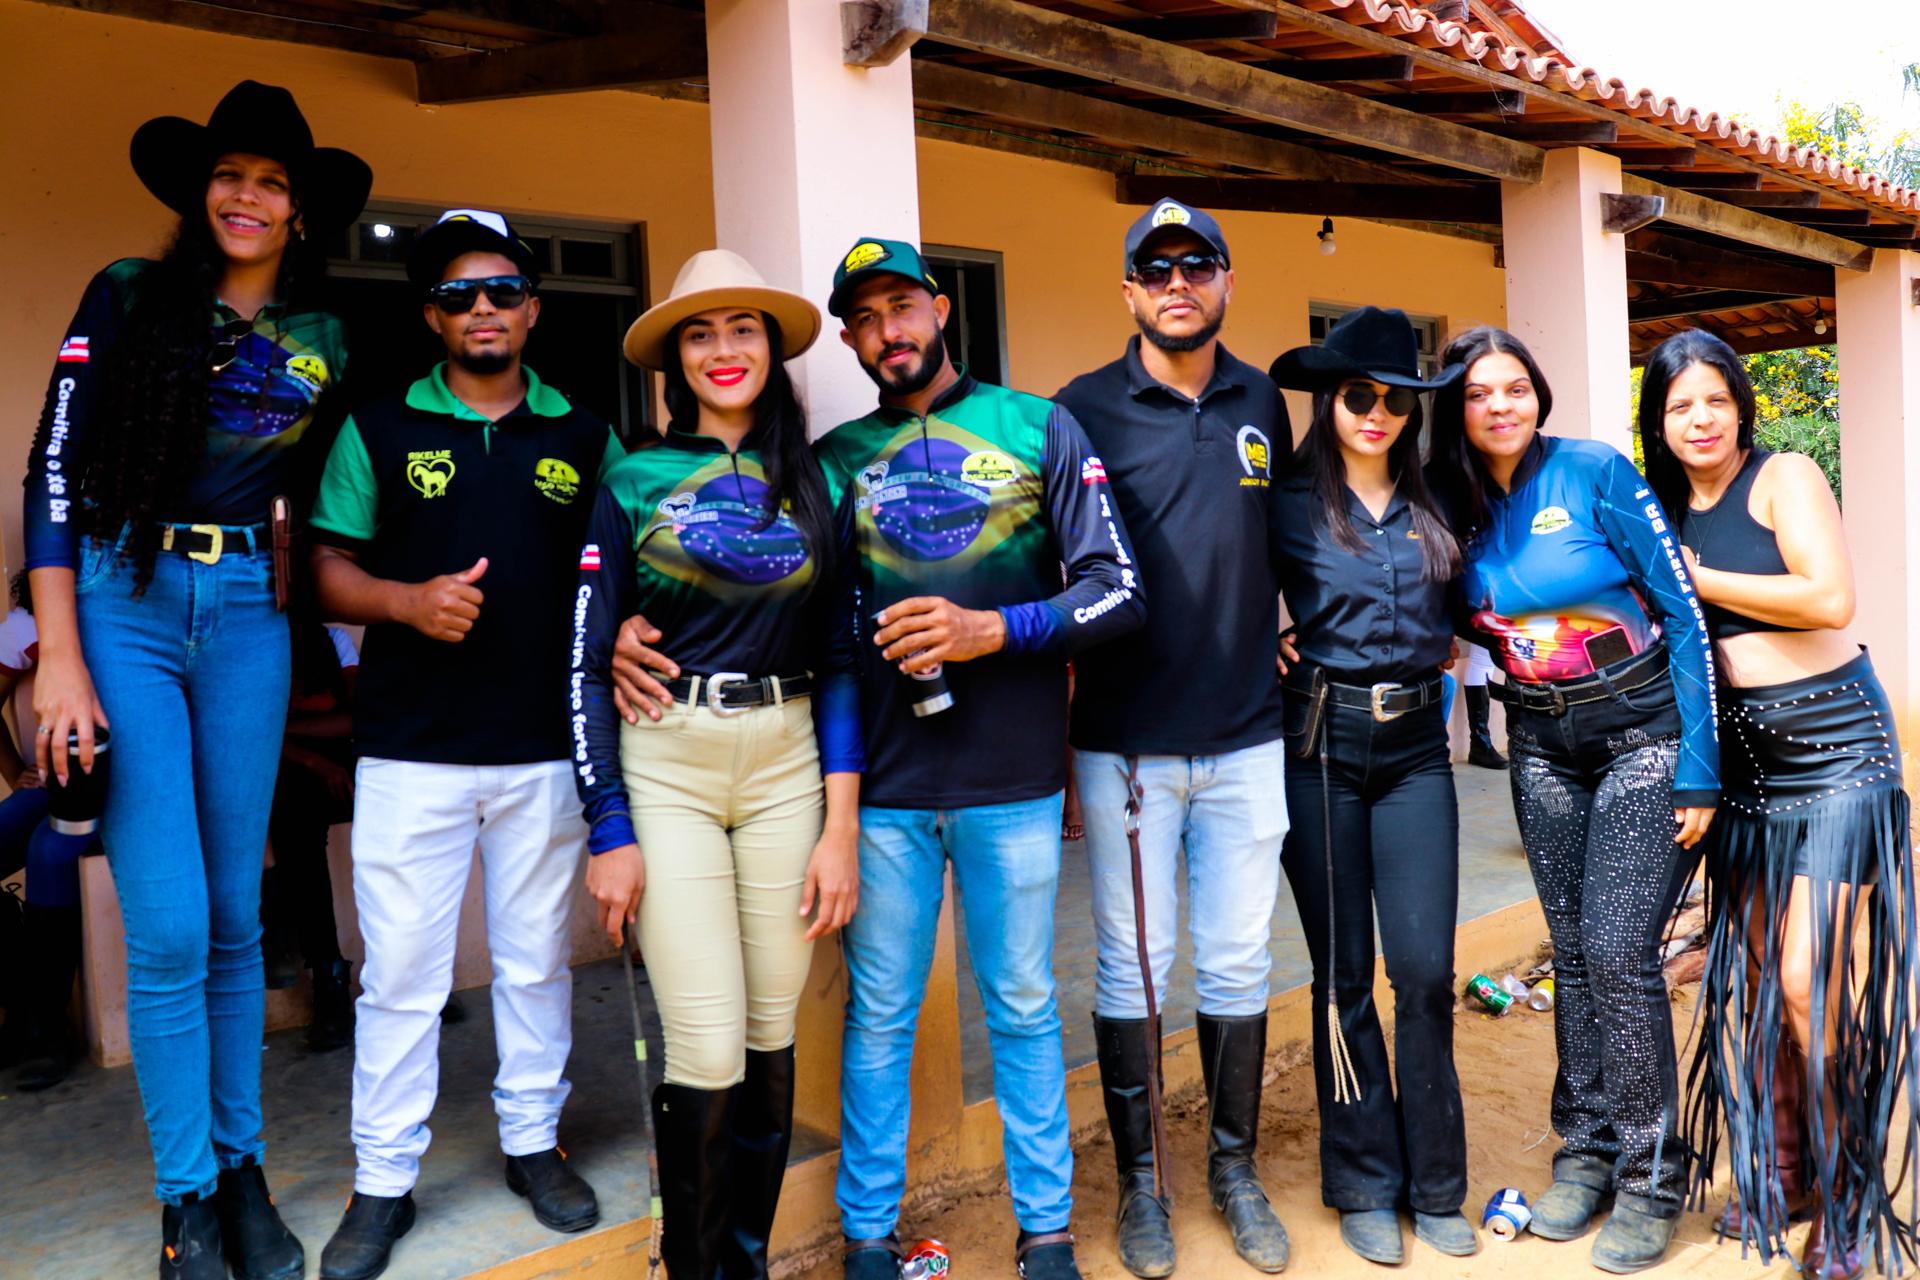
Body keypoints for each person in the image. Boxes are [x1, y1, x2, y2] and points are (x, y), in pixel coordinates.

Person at [615, 236, 1144, 1280]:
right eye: (861, 319)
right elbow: (793, 617)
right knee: (880, 1018)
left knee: (1023, 1006)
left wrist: (994, 629)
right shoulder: (829, 462)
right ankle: (866, 1233)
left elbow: (1118, 589)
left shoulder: (1037, 425)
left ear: (940, 308)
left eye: (900, 306)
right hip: (884, 790)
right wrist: (629, 632)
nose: (885, 331)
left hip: (1012, 782)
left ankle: (1045, 1230)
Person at [22, 80, 368, 1280]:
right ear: (199, 191)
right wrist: (59, 652)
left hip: (253, 616)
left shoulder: (330, 338)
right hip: (125, 597)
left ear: (299, 210)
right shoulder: (128, 293)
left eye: (272, 181)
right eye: (230, 174)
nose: (247, 196)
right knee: (168, 923)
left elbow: (359, 486)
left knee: (234, 915)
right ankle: (185, 1198)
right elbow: (53, 468)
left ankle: (240, 1170)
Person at [308, 209, 624, 1280]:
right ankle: (383, 1178)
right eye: (457, 294)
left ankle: (534, 1143)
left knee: (536, 962)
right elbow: (327, 565)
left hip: (545, 747)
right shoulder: (379, 426)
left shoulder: (585, 434)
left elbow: (632, 561)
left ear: (532, 310)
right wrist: (404, 601)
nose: (481, 308)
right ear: (430, 316)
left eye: (502, 291)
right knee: (401, 975)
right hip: (411, 749)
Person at [570, 249, 863, 1279]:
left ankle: (745, 1264)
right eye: (699, 333)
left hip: (788, 766)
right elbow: (586, 655)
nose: (723, 349)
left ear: (772, 349)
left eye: (743, 328)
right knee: (704, 1042)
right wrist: (608, 824)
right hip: (669, 764)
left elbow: (842, 659)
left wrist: (839, 827)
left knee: (771, 1027)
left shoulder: (819, 480)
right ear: (675, 360)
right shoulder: (632, 478)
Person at [1430, 326, 1718, 1274]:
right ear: (1456, 409)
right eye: (1479, 393)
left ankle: (1650, 1177)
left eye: (1515, 387)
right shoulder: (1450, 503)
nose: (1500, 405)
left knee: (1618, 950)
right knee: (1577, 954)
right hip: (1540, 744)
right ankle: (1586, 1152)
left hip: (1642, 733)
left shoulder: (1592, 471)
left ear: (1538, 394)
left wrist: (1701, 765)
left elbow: (1683, 613)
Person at [1639, 330, 1917, 1279]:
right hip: (1745, 774)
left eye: (1716, 400)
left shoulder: (1782, 477)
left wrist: (1689, 576)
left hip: (1838, 756)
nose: (1701, 420)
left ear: (1741, 406)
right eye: (1680, 405)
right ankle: (1790, 1172)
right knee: (1759, 982)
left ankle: (1848, 1194)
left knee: (1806, 978)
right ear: (1659, 421)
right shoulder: (1662, 508)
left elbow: (1829, 598)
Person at [1052, 197, 1290, 1278]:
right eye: (1157, 270)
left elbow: (1283, 539)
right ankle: (1144, 1183)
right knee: (1136, 963)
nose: (1177, 283)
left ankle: (1234, 1170)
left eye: (1198, 264)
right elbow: (1052, 567)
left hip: (1246, 734)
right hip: (1128, 743)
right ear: (1129, 292)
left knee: (1238, 957)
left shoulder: (1262, 402)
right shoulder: (1080, 410)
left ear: (1228, 280)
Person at [1267, 307, 1477, 1265]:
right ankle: (1362, 1180)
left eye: (1397, 400)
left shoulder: (1440, 501)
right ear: (1328, 399)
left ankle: (1436, 1185)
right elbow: (1222, 587)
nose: (1378, 414)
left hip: (1417, 754)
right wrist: (1263, 639)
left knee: (1424, 972)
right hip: (1317, 748)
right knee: (1343, 973)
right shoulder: (1284, 500)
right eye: (1360, 396)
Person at [0, 570, 97, 1090]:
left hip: (128, 783)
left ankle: (46, 1032)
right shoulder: (29, 623)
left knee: (48, 851)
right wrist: (17, 771)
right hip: (55, 782)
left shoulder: (119, 600)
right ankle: (17, 1010)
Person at [259, 608, 358, 1051]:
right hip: (288, 772)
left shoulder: (334, 641)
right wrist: (312, 760)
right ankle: (328, 980)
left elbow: (356, 717)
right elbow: (242, 733)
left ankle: (420, 976)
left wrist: (278, 731)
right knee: (295, 819)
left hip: (340, 762)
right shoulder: (254, 641)